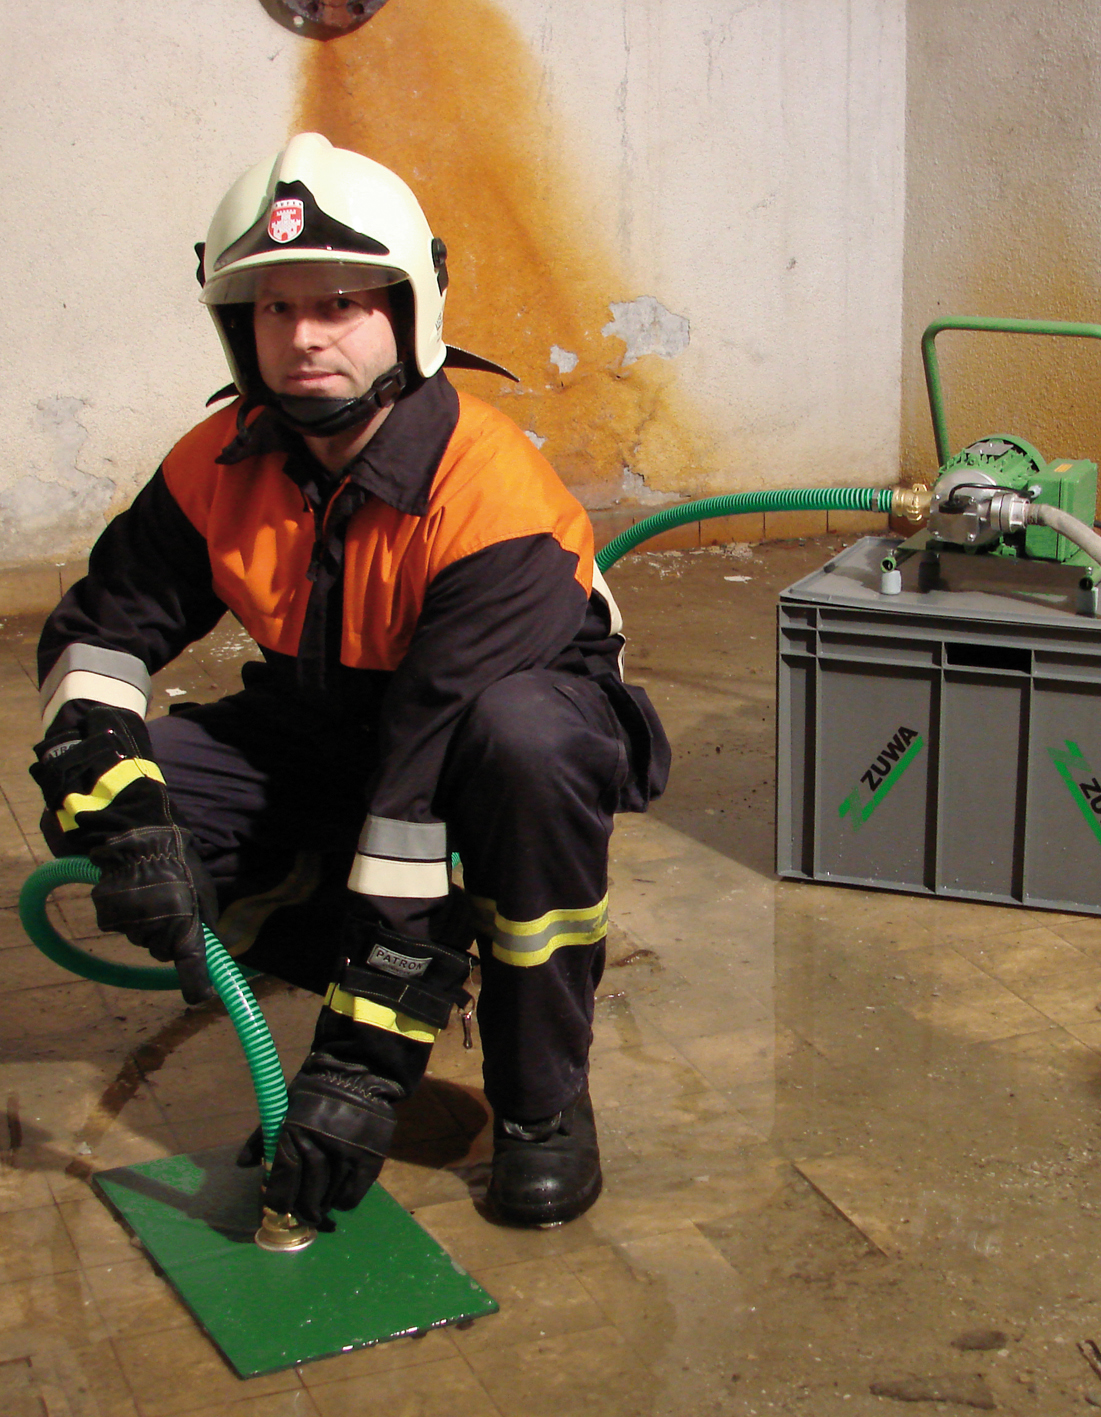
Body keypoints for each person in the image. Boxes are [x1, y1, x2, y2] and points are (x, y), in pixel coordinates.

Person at [29, 133, 669, 1231]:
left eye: (336, 302)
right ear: (239, 325)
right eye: (273, 309)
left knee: (520, 750)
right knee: (143, 783)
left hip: (497, 738)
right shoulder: (218, 459)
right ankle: (326, 924)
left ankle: (541, 1103)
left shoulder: (487, 492)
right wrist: (127, 816)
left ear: (405, 310)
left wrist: (359, 1069)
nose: (303, 336)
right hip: (332, 724)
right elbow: (99, 637)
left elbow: (414, 797)